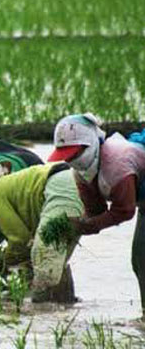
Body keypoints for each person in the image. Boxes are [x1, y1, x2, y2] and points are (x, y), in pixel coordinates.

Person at [48, 114, 145, 317]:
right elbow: (96, 211)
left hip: (138, 202)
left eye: (74, 154)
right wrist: (77, 223)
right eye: (67, 157)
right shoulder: (81, 172)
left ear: (90, 145)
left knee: (142, 258)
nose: (71, 160)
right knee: (139, 260)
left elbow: (125, 210)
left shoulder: (117, 163)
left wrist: (90, 225)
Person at [0, 159, 83, 302]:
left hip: (61, 191)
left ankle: (41, 310)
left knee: (45, 269)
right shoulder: (8, 185)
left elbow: (19, 239)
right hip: (76, 185)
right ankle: (63, 310)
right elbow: (27, 242)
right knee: (56, 264)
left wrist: (4, 260)